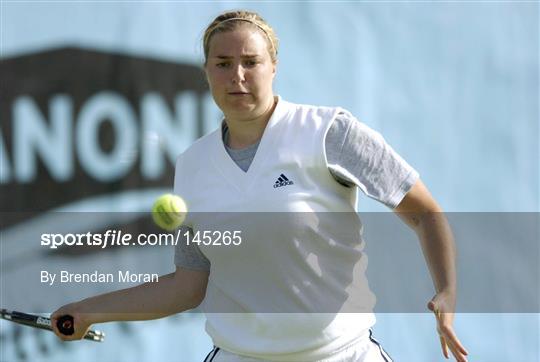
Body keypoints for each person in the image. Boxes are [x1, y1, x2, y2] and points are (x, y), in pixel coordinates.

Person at [52, 10, 469, 362]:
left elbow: (424, 213)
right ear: (207, 72)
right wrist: (87, 311)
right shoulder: (192, 165)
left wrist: (447, 292)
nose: (237, 76)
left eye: (251, 62)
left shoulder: (329, 132)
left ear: (274, 66)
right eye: (223, 63)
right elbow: (187, 286)